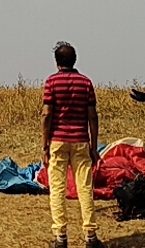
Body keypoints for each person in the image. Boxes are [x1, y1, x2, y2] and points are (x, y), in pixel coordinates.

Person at [42, 42, 102, 248]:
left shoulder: (51, 82)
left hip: (58, 141)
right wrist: (94, 146)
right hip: (81, 141)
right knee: (85, 187)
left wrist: (45, 145)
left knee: (57, 188)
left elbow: (47, 114)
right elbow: (92, 117)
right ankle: (90, 236)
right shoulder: (85, 83)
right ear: (74, 60)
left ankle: (60, 236)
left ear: (57, 62)